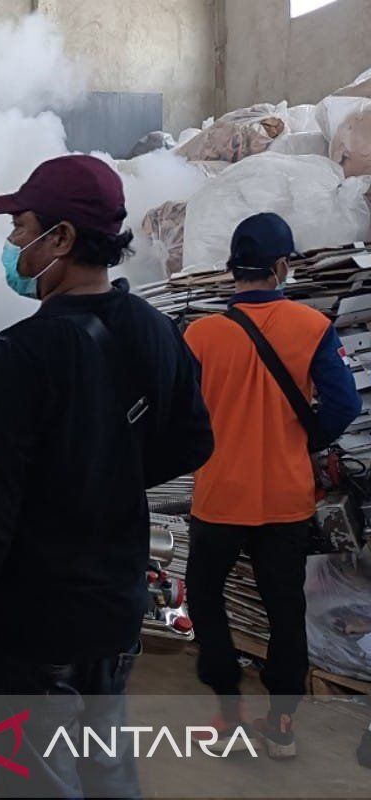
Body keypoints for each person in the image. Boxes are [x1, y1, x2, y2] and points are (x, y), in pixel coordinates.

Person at [0, 155, 214, 797]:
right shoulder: (160, 334)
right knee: (105, 770)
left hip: (31, 622)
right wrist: (108, 470)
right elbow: (195, 440)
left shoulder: (19, 354)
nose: (13, 243)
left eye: (22, 227)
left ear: (64, 239)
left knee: (35, 783)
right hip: (115, 611)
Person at [182, 212, 360, 759]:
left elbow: (182, 416)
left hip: (218, 497)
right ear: (283, 266)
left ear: (233, 269)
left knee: (207, 600)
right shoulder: (312, 327)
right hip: (285, 499)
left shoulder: (200, 334)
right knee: (285, 610)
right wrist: (306, 439)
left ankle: (229, 712)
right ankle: (281, 726)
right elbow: (346, 405)